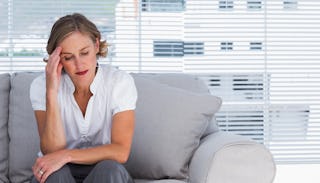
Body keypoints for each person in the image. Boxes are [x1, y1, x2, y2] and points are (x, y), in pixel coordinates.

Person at [29, 13, 137, 183]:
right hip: (58, 173)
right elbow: (52, 151)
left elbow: (120, 152)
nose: (79, 65)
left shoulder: (119, 82)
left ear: (96, 45)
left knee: (109, 169)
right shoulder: (41, 85)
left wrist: (66, 156)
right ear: (57, 60)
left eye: (84, 53)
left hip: (104, 171)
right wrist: (51, 91)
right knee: (56, 174)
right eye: (68, 57)